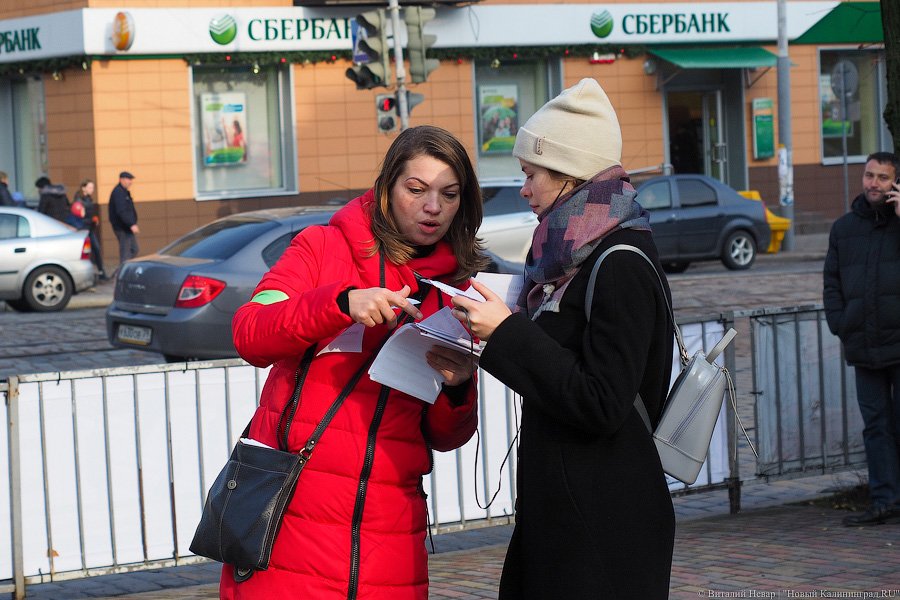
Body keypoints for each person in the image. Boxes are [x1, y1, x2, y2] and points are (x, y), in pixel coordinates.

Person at [220, 125, 486, 598]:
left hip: (390, 533)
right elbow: (250, 333)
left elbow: (447, 437)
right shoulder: (320, 248)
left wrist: (458, 386)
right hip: (290, 520)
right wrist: (339, 304)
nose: (433, 208)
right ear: (386, 189)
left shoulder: (458, 296)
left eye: (449, 194)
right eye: (417, 189)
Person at [450, 79, 676, 598]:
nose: (523, 189)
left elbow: (602, 402)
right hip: (570, 515)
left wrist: (506, 333)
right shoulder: (572, 260)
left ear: (571, 177)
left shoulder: (617, 262)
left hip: (603, 527)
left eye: (531, 174)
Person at [823, 151, 900, 526]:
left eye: (883, 178)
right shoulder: (844, 228)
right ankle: (885, 500)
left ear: (895, 183)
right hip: (863, 344)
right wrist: (841, 322)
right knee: (876, 426)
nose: (874, 183)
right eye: (870, 175)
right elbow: (831, 282)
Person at [74, 179, 108, 280]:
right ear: (83, 188)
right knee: (85, 252)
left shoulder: (88, 198)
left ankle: (101, 272)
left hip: (90, 228)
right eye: (90, 187)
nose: (92, 190)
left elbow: (89, 213)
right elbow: (80, 216)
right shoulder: (78, 200)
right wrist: (90, 220)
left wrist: (94, 219)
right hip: (83, 229)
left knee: (96, 249)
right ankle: (85, 275)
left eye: (93, 187)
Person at [108, 171, 139, 271]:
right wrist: (131, 224)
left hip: (127, 227)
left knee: (134, 249)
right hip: (122, 227)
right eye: (129, 179)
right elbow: (121, 211)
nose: (130, 182)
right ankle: (122, 273)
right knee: (125, 252)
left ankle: (126, 270)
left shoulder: (124, 192)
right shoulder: (118, 192)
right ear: (122, 179)